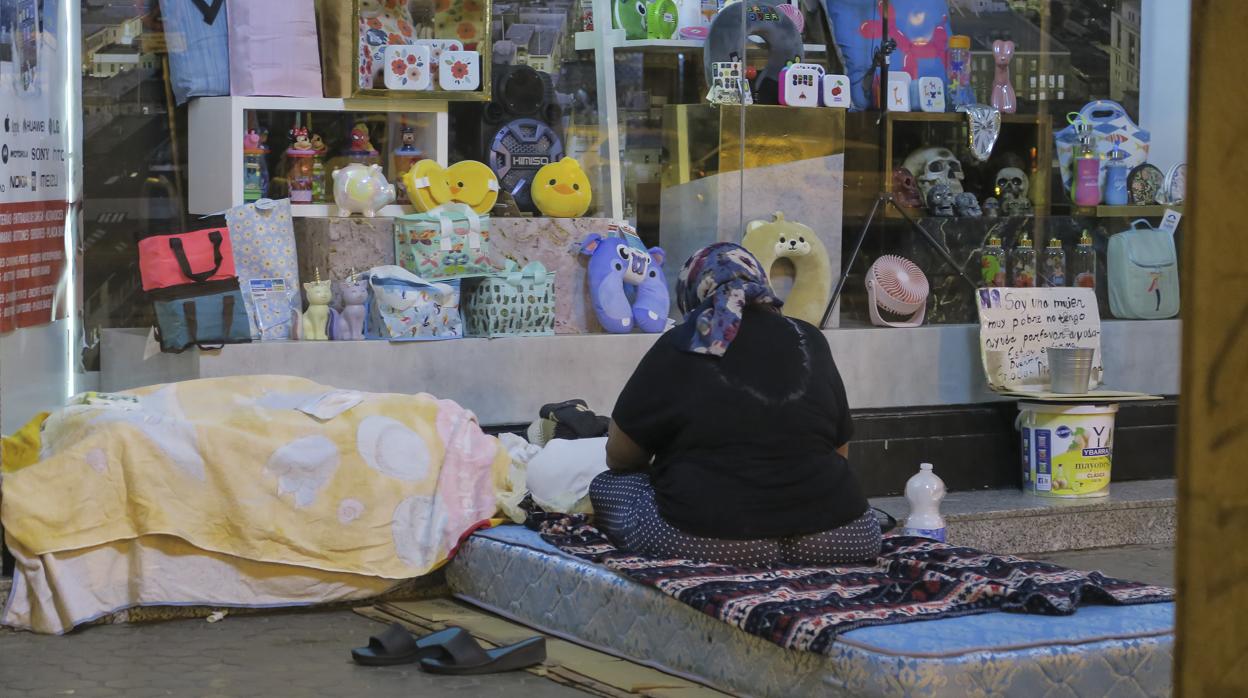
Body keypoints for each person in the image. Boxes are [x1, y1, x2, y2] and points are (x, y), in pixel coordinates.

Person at [592, 243, 881, 567]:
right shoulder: (810, 339)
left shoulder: (681, 342)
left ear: (692, 292)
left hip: (712, 540)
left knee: (608, 486)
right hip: (844, 535)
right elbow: (840, 453)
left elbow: (620, 456)